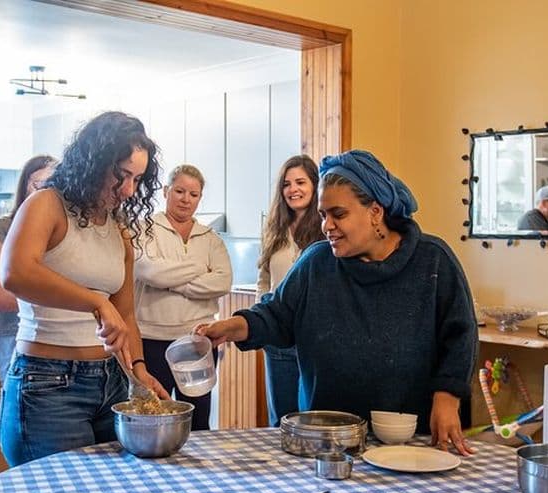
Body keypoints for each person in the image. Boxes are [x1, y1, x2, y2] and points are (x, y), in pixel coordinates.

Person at [196, 149, 477, 455]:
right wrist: (235, 326)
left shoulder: (433, 261)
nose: (326, 225)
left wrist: (448, 396)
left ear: (375, 211)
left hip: (411, 443)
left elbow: (460, 336)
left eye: (338, 214)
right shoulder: (316, 263)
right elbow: (277, 315)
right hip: (325, 440)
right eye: (323, 215)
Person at [0, 111, 169, 467]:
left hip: (111, 383)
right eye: (121, 176)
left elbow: (125, 315)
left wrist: (138, 371)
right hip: (47, 384)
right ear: (94, 162)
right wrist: (94, 302)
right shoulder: (48, 204)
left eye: (137, 179)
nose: (128, 190)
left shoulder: (118, 228)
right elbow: (15, 272)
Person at [134, 164, 232, 430]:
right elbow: (147, 270)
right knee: (155, 419)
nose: (185, 199)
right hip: (151, 341)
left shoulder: (211, 239)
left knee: (199, 420)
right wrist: (200, 269)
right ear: (166, 191)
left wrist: (172, 283)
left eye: (193, 194)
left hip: (198, 341)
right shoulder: (144, 230)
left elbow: (223, 281)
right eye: (179, 191)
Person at [256, 155, 323, 427]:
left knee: (312, 418)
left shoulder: (326, 226)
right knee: (281, 418)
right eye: (287, 184)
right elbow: (263, 279)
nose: (293, 190)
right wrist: (262, 315)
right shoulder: (274, 229)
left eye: (300, 182)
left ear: (315, 185)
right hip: (278, 335)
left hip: (316, 336)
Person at [0, 155, 57, 385]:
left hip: (59, 338)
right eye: (39, 185)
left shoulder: (61, 232)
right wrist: (68, 300)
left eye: (52, 186)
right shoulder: (1, 228)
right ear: (25, 184)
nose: (45, 192)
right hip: (15, 337)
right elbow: (0, 298)